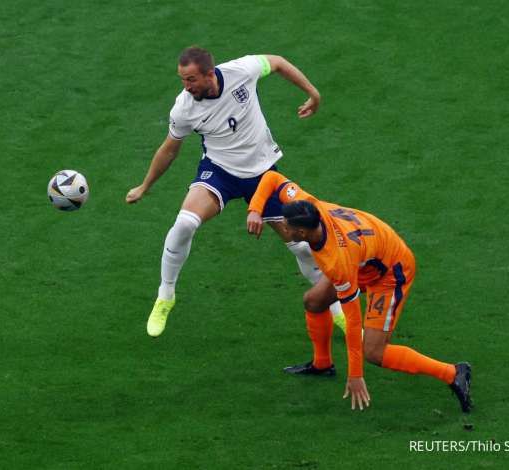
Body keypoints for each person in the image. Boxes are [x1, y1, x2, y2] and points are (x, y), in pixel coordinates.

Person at [126, 46, 346, 337]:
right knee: (184, 224)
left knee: (303, 248)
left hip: (263, 175)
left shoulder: (241, 71)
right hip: (220, 172)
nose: (186, 86)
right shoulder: (184, 108)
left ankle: (340, 313)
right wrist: (145, 185)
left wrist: (313, 93)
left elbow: (278, 62)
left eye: (191, 79)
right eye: (182, 80)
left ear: (209, 73)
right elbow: (170, 149)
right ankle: (165, 296)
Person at [246, 170, 472, 412]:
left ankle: (453, 373)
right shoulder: (308, 206)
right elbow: (271, 177)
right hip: (367, 255)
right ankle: (322, 364)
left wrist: (355, 375)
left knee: (374, 352)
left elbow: (353, 321)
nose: (283, 228)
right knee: (314, 301)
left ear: (301, 234)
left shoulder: (336, 261)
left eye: (287, 226)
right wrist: (255, 210)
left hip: (390, 272)